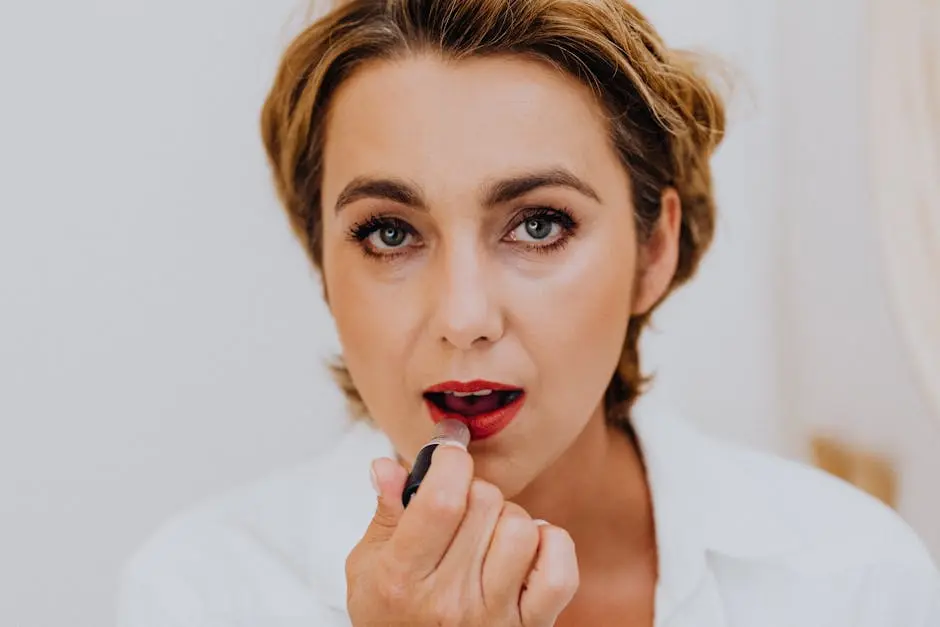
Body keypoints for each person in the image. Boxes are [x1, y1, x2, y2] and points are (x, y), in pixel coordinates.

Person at [116, 0, 940, 625]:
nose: (465, 316)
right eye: (390, 232)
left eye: (539, 225)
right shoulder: (200, 592)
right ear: (322, 265)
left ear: (654, 249)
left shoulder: (849, 580)